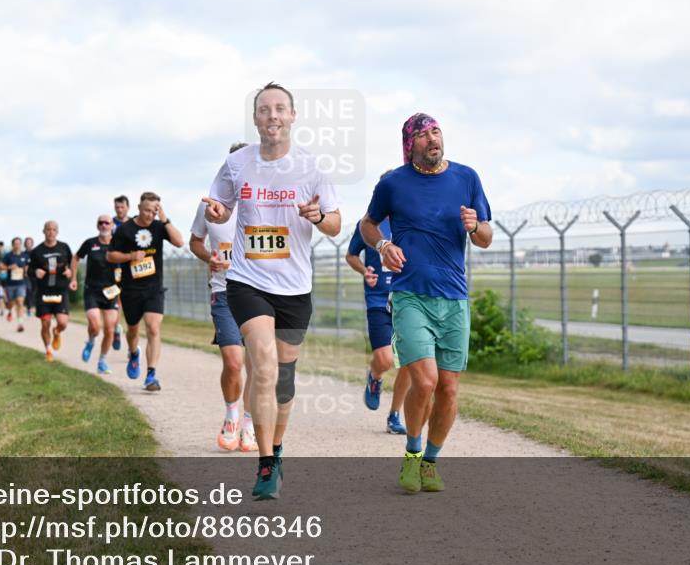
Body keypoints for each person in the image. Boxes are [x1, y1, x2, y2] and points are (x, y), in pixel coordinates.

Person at [203, 82, 341, 500]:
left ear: (293, 116)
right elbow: (221, 205)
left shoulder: (311, 167)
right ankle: (264, 464)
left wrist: (318, 217)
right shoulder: (236, 163)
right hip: (248, 281)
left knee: (282, 382)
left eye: (281, 109)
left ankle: (276, 450)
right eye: (265, 110)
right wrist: (218, 210)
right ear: (255, 118)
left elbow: (335, 224)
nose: (273, 116)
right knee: (261, 366)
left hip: (295, 286)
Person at [360, 112, 492, 494]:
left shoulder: (467, 178)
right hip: (409, 295)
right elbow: (367, 225)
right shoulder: (394, 184)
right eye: (423, 135)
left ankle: (430, 461)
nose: (432, 139)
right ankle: (413, 453)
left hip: (454, 298)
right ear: (409, 145)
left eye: (436, 131)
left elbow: (485, 237)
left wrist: (475, 226)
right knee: (426, 381)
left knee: (449, 388)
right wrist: (383, 245)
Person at [190, 141, 257, 452]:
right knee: (234, 361)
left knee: (258, 364)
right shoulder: (210, 205)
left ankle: (248, 423)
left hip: (260, 292)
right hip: (224, 290)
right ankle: (231, 415)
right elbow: (195, 242)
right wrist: (210, 259)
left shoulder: (264, 203)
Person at [345, 174, 409, 435]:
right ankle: (375, 377)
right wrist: (364, 272)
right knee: (384, 358)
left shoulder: (408, 220)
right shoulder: (368, 224)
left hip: (407, 298)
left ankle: (395, 414)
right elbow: (351, 255)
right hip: (377, 299)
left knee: (407, 361)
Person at [107, 192, 184, 391]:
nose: (150, 215)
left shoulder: (159, 227)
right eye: (148, 210)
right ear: (139, 208)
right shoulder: (125, 229)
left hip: (154, 288)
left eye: (154, 211)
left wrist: (165, 219)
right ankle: (133, 353)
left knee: (153, 328)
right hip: (131, 289)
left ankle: (151, 374)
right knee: (133, 330)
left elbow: (179, 242)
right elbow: (111, 256)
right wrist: (131, 256)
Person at [72, 216, 122, 374]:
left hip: (112, 291)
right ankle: (91, 341)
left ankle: (102, 361)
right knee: (95, 326)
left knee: (109, 329)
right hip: (92, 290)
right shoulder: (90, 243)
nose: (104, 225)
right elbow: (76, 257)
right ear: (97, 225)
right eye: (101, 222)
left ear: (112, 225)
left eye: (107, 222)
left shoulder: (118, 244)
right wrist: (73, 278)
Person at [29, 221, 74, 361]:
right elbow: (29, 270)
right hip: (44, 292)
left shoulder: (64, 247)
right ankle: (48, 350)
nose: (51, 232)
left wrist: (70, 272)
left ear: (57, 232)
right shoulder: (37, 251)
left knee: (63, 323)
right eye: (48, 229)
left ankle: (57, 332)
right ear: (43, 231)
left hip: (61, 291)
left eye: (54, 229)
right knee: (45, 323)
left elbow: (73, 264)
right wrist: (35, 271)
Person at [111, 195, 132, 351]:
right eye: (117, 207)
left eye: (122, 207)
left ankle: (131, 334)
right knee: (117, 298)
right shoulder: (110, 224)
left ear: (127, 208)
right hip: (116, 266)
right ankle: (117, 328)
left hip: (133, 266)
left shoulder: (134, 223)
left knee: (130, 301)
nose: (119, 210)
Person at [3, 237, 29, 332]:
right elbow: (0, 267)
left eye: (19, 243)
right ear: (13, 245)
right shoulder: (8, 256)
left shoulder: (25, 256)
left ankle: (20, 324)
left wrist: (26, 270)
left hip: (21, 283)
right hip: (10, 284)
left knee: (20, 302)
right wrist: (9, 267)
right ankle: (9, 311)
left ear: (20, 245)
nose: (17, 245)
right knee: (11, 304)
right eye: (15, 244)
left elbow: (27, 266)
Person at [23, 236, 36, 317]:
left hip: (35, 275)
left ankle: (34, 307)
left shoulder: (36, 253)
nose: (28, 244)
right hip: (26, 276)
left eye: (30, 243)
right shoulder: (23, 254)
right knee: (28, 290)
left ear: (32, 244)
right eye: (27, 243)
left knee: (34, 292)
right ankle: (29, 308)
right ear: (25, 244)